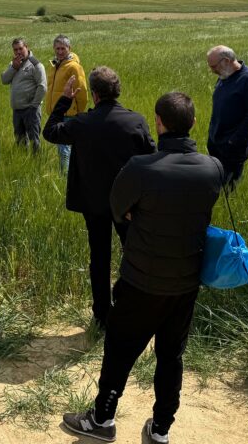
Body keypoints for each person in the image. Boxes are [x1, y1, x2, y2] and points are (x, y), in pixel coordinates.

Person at [62, 92, 223, 444]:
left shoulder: (140, 168)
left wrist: (140, 213)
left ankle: (101, 419)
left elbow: (118, 210)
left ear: (158, 123)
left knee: (119, 350)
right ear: (194, 123)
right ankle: (161, 428)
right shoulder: (213, 168)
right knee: (171, 355)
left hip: (140, 281)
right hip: (186, 283)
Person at [42, 67, 155, 329]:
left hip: (93, 204)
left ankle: (102, 315)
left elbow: (50, 131)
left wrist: (65, 99)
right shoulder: (135, 121)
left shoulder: (82, 123)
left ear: (94, 94)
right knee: (133, 254)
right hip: (128, 204)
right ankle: (131, 307)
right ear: (118, 91)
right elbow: (151, 158)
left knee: (100, 257)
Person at [206, 45, 248, 187]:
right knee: (214, 183)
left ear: (226, 61)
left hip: (233, 148)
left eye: (214, 66)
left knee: (228, 187)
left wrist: (233, 141)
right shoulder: (224, 75)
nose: (212, 70)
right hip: (215, 142)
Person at [45, 34, 87, 172]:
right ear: (53, 48)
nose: (60, 51)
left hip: (68, 113)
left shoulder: (74, 67)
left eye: (63, 48)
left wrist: (79, 112)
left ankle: (65, 177)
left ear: (70, 48)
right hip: (57, 112)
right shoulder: (54, 65)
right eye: (57, 48)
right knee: (62, 147)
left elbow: (81, 91)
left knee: (64, 149)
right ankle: (67, 173)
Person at [1, 37, 47, 152]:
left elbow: (42, 87)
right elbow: (4, 80)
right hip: (17, 110)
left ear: (26, 47)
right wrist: (13, 68)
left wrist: (34, 106)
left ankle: (37, 161)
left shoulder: (35, 65)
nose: (18, 52)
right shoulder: (13, 64)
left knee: (34, 141)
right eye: (15, 50)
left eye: (20, 49)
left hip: (31, 109)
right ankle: (22, 160)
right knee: (19, 140)